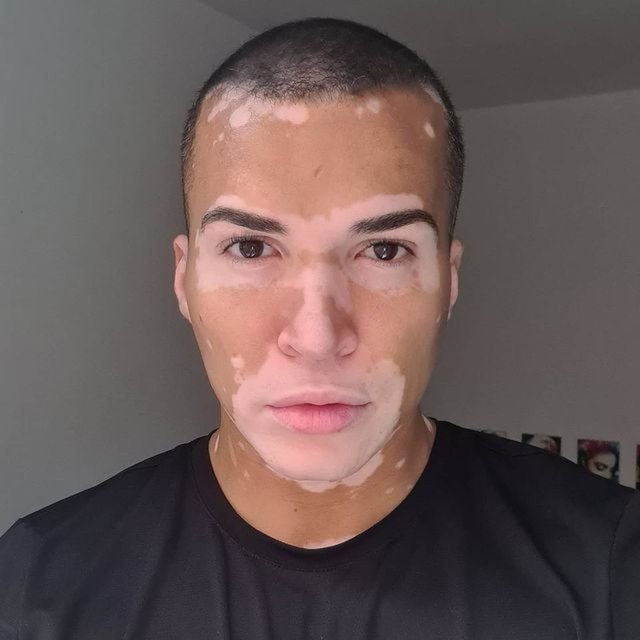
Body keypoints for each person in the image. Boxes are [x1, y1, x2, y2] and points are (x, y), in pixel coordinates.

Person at [1, 17, 639, 640]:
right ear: (183, 279)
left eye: (384, 251)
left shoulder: (609, 574)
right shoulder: (35, 587)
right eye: (250, 247)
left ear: (448, 281)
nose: (315, 337)